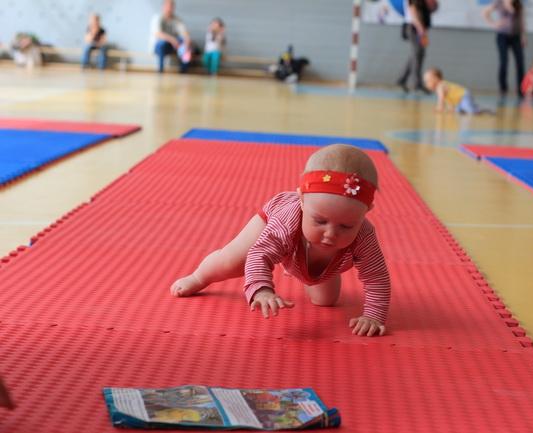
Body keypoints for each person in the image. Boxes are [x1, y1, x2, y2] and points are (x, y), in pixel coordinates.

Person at [170, 144, 391, 337]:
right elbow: (259, 255)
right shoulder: (287, 221)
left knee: (325, 301)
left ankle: (302, 267)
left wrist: (373, 317)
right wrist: (262, 290)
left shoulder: (364, 235)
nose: (330, 233)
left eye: (346, 226)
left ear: (366, 213)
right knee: (232, 261)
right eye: (320, 221)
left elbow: (377, 278)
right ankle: (199, 276)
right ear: (302, 201)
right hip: (275, 228)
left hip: (317, 258)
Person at [483, 0, 526, 100]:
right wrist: (493, 24)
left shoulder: (518, 3)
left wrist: (524, 36)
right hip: (502, 36)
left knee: (520, 62)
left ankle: (521, 90)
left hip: (516, 36)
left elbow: (522, 20)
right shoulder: (499, 3)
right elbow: (485, 12)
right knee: (504, 61)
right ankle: (503, 89)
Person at [397, 0, 438, 93]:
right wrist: (420, 28)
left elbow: (432, 8)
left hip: (420, 28)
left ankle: (402, 79)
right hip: (414, 28)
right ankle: (417, 83)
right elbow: (413, 12)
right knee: (417, 55)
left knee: (416, 55)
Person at [423, 68, 493, 114]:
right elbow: (449, 99)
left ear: (436, 79)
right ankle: (473, 107)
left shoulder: (440, 86)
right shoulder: (440, 87)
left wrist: (439, 107)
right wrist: (451, 108)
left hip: (463, 95)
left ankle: (483, 108)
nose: (426, 84)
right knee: (459, 111)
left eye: (427, 81)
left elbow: (441, 99)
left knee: (471, 111)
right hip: (459, 100)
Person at [150, 0, 192, 73]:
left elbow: (184, 32)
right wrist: (172, 39)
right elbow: (158, 33)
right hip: (159, 47)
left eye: (171, 6)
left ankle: (184, 70)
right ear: (163, 7)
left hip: (173, 46)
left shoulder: (177, 19)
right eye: (167, 6)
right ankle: (160, 69)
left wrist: (187, 41)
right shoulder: (157, 17)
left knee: (185, 43)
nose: (169, 8)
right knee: (162, 43)